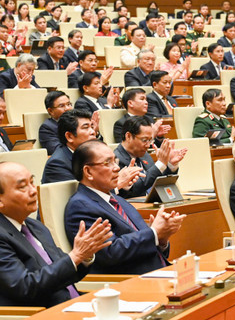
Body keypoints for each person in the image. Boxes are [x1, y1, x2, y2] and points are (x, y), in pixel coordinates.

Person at [0, 162, 113, 307]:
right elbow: (25, 287)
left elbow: (64, 271)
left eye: (32, 182)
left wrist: (84, 257)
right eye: (22, 187)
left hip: (74, 305)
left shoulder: (36, 226)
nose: (33, 190)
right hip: (41, 318)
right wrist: (75, 256)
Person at [64, 140, 185, 275]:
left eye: (115, 161)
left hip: (158, 272)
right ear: (88, 172)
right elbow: (109, 253)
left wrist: (162, 239)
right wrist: (154, 233)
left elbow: (149, 244)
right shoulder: (81, 206)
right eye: (107, 163)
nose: (116, 168)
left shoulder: (118, 200)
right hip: (130, 281)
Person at [115, 117, 185, 199]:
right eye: (144, 140)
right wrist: (160, 164)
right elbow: (134, 190)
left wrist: (170, 165)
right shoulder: (116, 159)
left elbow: (157, 183)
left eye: (150, 140)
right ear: (128, 136)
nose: (148, 145)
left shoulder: (145, 156)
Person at [41, 109, 96, 184]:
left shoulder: (91, 153)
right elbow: (80, 192)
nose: (93, 132)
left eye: (92, 127)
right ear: (69, 136)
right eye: (86, 127)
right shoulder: (57, 164)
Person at [39, 91, 72, 155]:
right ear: (50, 111)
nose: (67, 108)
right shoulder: (47, 128)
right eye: (62, 106)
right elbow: (57, 150)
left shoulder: (77, 122)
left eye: (69, 104)